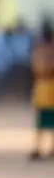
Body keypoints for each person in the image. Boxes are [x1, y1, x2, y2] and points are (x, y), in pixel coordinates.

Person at [28, 17, 54, 160]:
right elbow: (36, 65)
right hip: (42, 85)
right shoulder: (40, 47)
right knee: (41, 118)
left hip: (50, 84)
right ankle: (38, 147)